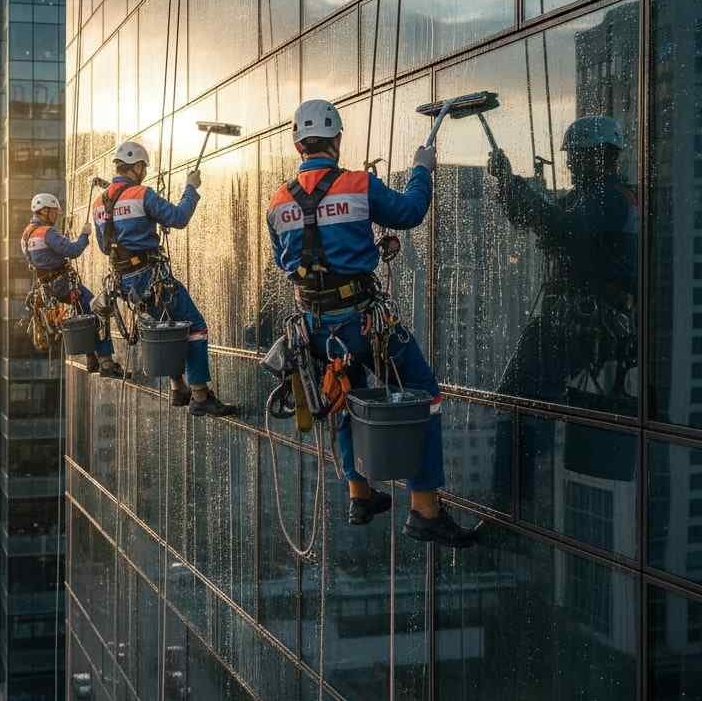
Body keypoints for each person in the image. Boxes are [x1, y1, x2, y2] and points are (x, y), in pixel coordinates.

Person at [266, 99, 478, 547]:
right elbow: (409, 212)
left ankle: (359, 495)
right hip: (362, 321)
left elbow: (287, 261)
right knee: (423, 392)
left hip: (313, 328)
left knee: (345, 396)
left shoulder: (278, 201)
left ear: (298, 145)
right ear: (337, 140)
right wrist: (422, 169)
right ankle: (425, 509)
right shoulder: (358, 184)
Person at [487, 114, 638, 409]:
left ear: (599, 156)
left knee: (520, 392)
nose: (569, 164)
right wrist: (507, 184)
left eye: (575, 156)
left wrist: (512, 182)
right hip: (581, 318)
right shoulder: (588, 196)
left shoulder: (610, 198)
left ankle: (522, 433)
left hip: (590, 319)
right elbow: (537, 218)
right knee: (527, 391)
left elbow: (563, 228)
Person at [92, 141, 237, 417]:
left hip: (124, 281)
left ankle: (177, 386)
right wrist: (191, 187)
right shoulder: (141, 194)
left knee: (167, 324)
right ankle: (199, 394)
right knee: (195, 326)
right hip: (149, 276)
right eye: (143, 168)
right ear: (136, 167)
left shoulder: (100, 202)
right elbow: (179, 218)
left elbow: (103, 246)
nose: (144, 173)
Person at [22, 192, 122, 377]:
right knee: (98, 310)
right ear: (43, 211)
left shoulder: (27, 234)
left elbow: (38, 260)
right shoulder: (47, 232)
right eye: (53, 212)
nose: (55, 216)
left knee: (83, 313)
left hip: (48, 288)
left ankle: (91, 359)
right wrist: (84, 235)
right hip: (63, 284)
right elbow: (73, 250)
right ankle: (106, 362)